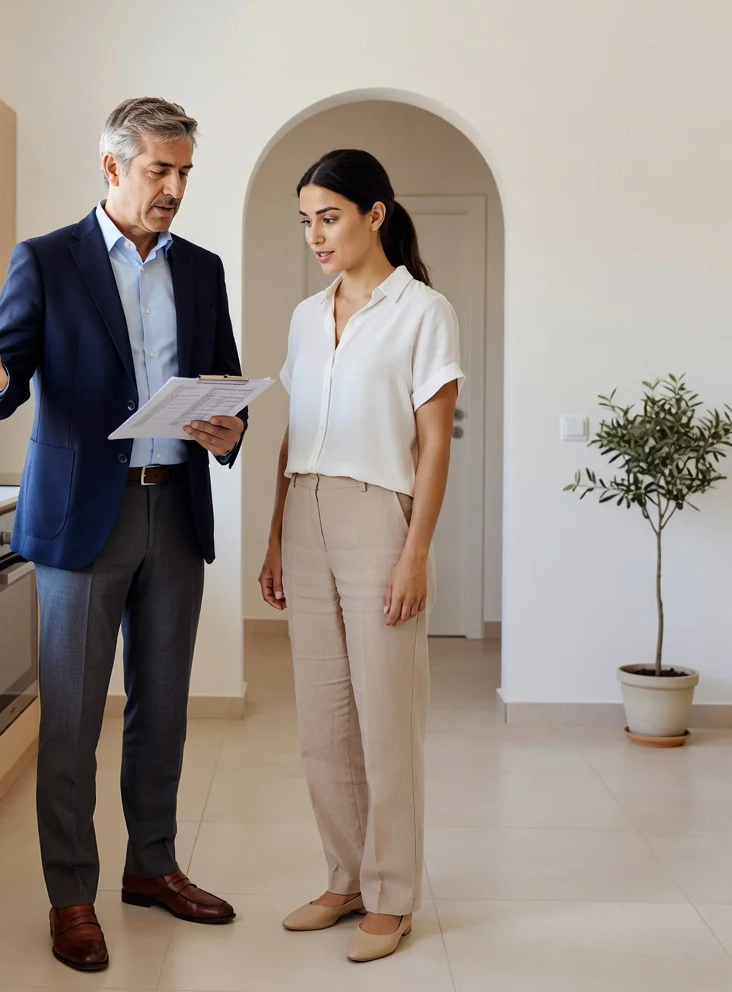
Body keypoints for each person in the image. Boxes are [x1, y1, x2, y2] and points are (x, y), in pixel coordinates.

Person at [0, 97, 246, 974]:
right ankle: (70, 895)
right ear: (112, 169)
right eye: (160, 170)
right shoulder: (47, 260)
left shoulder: (201, 269)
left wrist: (229, 429)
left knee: (163, 711)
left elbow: (221, 381)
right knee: (73, 720)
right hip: (83, 518)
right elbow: (1, 379)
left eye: (186, 171)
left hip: (175, 511)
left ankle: (152, 868)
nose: (176, 189)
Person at [259, 149, 462, 964]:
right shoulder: (307, 318)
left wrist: (417, 552)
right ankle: (342, 880)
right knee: (323, 719)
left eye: (330, 216)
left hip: (381, 516)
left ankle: (393, 895)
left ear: (376, 213)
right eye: (306, 220)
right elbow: (293, 429)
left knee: (386, 716)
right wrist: (275, 535)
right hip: (304, 512)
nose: (316, 234)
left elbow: (435, 441)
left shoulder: (424, 311)